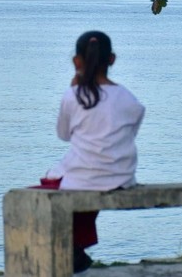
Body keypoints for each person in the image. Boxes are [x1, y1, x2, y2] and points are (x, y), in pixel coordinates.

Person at [33, 30, 145, 274]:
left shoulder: (73, 96)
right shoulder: (130, 100)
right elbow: (127, 136)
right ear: (112, 59)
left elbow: (63, 135)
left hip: (85, 178)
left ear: (77, 61)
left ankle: (72, 248)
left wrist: (74, 87)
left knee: (52, 185)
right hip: (122, 177)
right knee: (82, 179)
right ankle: (77, 248)